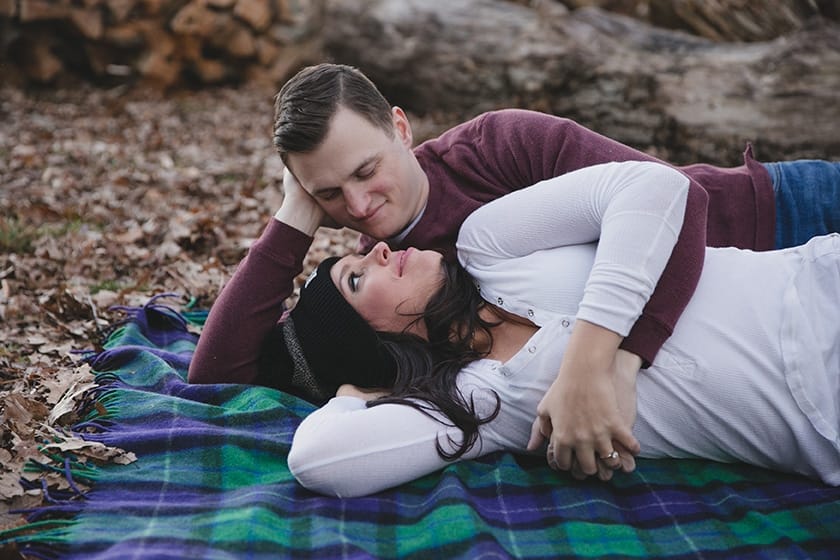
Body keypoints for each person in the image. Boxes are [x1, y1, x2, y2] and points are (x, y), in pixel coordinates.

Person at [188, 62, 840, 479]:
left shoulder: (492, 152)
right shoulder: (405, 287)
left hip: (772, 217)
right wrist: (293, 218)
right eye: (330, 194)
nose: (359, 207)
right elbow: (220, 375)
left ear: (400, 128)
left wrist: (614, 364)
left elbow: (680, 206)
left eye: (366, 171)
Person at [281, 161, 840, 498]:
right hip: (825, 428)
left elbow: (655, 186)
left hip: (818, 288)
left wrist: (590, 366)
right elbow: (319, 461)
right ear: (371, 342)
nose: (379, 250)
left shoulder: (487, 245)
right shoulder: (480, 402)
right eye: (357, 279)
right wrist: (357, 390)